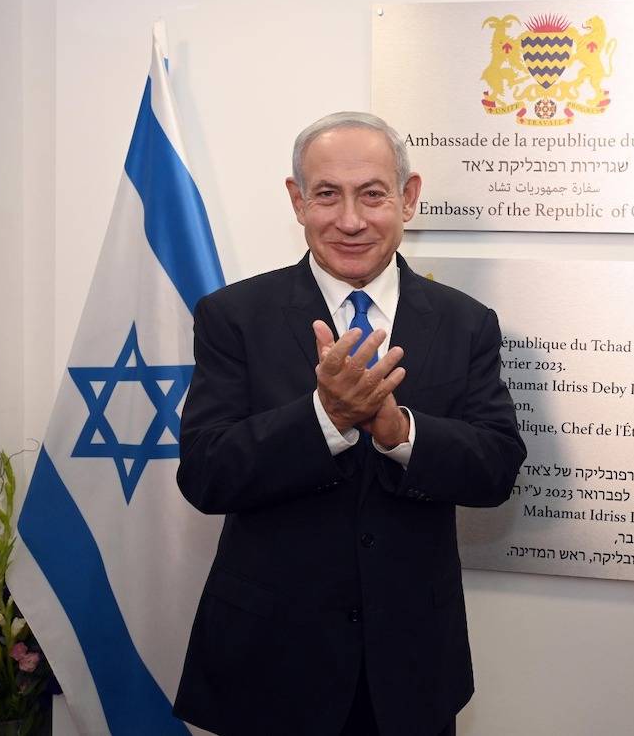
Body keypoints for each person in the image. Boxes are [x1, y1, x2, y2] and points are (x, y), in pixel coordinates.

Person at [172, 111, 526, 736]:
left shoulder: (467, 321)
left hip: (411, 664)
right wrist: (325, 417)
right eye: (327, 195)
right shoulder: (233, 315)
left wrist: (399, 433)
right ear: (297, 200)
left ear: (409, 197)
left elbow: (497, 466)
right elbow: (205, 475)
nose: (351, 220)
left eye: (372, 194)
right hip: (269, 664)